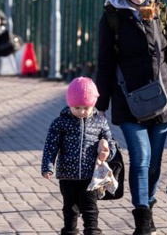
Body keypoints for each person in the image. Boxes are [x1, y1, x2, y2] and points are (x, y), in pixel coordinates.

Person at [95, 0, 167, 235]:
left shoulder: (162, 13)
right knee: (140, 157)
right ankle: (142, 220)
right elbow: (104, 63)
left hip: (163, 101)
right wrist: (100, 106)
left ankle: (148, 204)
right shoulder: (113, 16)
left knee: (154, 163)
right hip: (128, 100)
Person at [41, 77, 116, 235]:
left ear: (93, 104)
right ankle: (70, 230)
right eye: (77, 107)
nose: (82, 111)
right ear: (69, 104)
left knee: (90, 207)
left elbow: (111, 143)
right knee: (70, 207)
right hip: (67, 175)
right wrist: (48, 166)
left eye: (86, 107)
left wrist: (106, 151)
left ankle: (92, 230)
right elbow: (51, 146)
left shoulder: (100, 122)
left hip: (91, 176)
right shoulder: (60, 123)